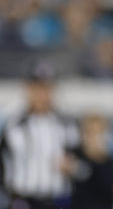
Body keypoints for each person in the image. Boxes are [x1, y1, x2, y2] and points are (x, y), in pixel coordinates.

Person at [0, 61, 80, 209]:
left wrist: (73, 167)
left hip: (57, 201)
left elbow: (82, 163)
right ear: (27, 89)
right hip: (21, 201)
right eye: (36, 88)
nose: (41, 95)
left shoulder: (67, 123)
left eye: (46, 88)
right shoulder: (10, 121)